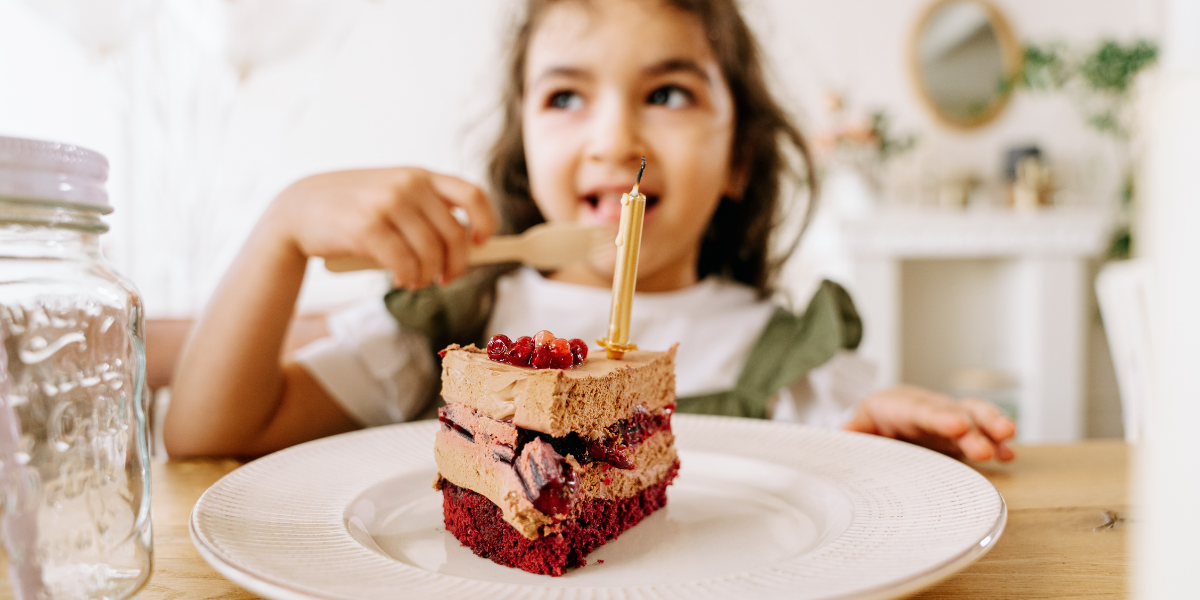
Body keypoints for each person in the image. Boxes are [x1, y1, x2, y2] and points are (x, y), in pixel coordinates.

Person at [163, 0, 1016, 462]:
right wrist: (280, 234)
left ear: (740, 162)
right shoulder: (454, 324)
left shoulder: (794, 362)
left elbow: (849, 493)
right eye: (566, 96)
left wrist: (890, 445)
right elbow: (208, 432)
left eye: (669, 93)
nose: (615, 140)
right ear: (525, 141)